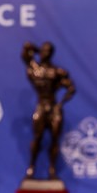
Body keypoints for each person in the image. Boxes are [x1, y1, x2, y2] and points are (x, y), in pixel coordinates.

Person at [21, 41, 76, 180]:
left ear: (51, 54)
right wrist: (36, 49)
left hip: (54, 107)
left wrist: (61, 104)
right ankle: (31, 167)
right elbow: (26, 50)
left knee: (55, 139)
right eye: (43, 50)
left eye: (47, 51)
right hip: (41, 106)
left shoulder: (57, 72)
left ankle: (52, 169)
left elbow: (71, 88)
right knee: (37, 137)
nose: (44, 53)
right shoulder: (35, 70)